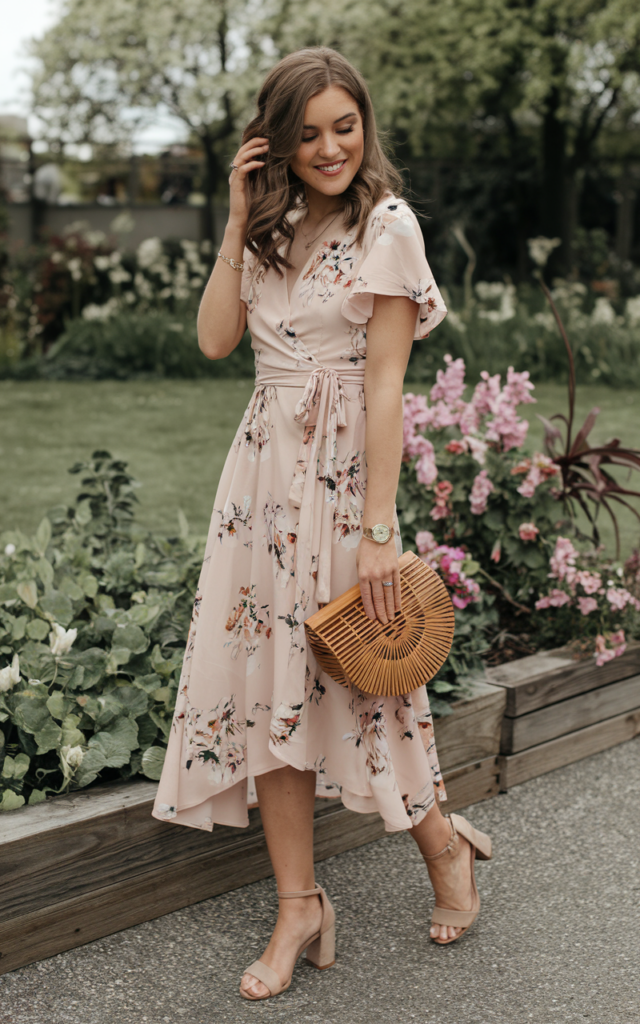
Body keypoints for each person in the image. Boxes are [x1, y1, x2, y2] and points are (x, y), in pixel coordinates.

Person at [152, 46, 492, 1001]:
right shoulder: (270, 228)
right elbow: (217, 340)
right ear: (278, 143)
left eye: (345, 126)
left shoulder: (388, 226)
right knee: (271, 692)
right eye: (308, 133)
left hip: (343, 488)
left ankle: (445, 846)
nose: (330, 146)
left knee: (367, 680)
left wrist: (380, 526)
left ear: (364, 126)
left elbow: (387, 384)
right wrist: (234, 218)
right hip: (260, 485)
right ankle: (299, 904)